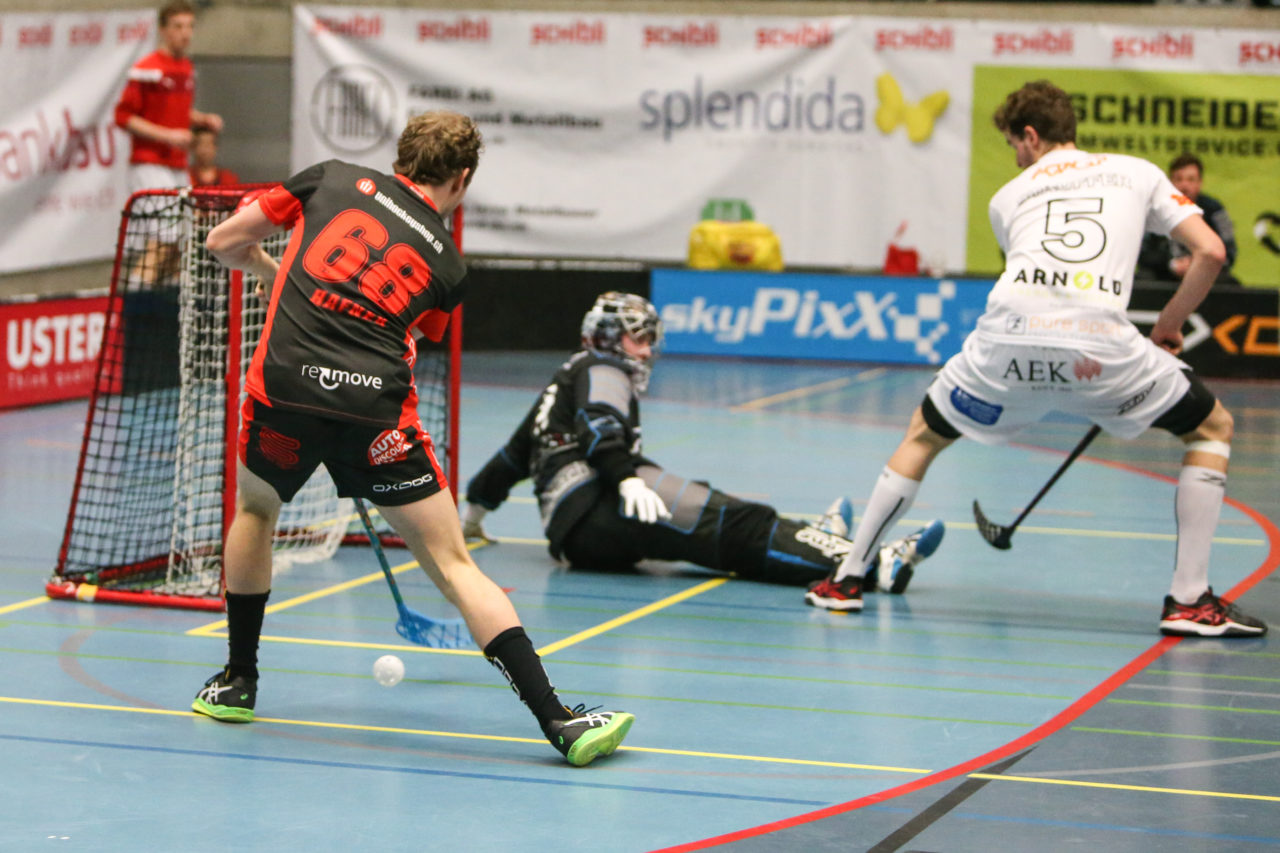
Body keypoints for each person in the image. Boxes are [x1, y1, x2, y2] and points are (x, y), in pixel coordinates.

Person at [193, 110, 634, 767]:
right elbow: (409, 330)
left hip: (283, 396)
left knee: (256, 511)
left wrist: (267, 268)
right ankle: (559, 721)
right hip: (375, 418)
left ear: (400, 158)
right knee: (456, 565)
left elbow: (223, 240)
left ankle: (237, 681)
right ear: (462, 179)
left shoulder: (328, 178)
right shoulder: (449, 265)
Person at [806, 81, 1266, 638]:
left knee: (922, 435)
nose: (1016, 158)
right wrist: (1168, 325)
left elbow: (1030, 278)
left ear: (1030, 135)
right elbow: (1211, 251)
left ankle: (846, 582)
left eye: (1013, 145)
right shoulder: (1137, 171)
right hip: (1101, 349)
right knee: (1212, 428)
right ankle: (1189, 600)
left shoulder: (1007, 197)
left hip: (1006, 344)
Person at [461, 291, 944, 602]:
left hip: (575, 530)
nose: (647, 350)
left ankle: (814, 539)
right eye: (638, 339)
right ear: (609, 339)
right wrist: (626, 478)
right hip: (602, 504)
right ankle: (871, 563)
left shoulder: (562, 380)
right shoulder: (603, 369)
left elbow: (510, 458)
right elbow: (600, 425)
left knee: (717, 511)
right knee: (738, 526)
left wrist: (472, 518)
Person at [114, 0, 223, 193]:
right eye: (178, 26)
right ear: (163, 30)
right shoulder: (147, 68)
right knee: (162, 214)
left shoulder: (187, 67)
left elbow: (172, 110)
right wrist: (168, 136)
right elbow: (123, 117)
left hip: (179, 163)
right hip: (150, 164)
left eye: (190, 26)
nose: (185, 33)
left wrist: (203, 119)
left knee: (184, 213)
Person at [1137, 154, 1238, 284]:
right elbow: (1142, 253)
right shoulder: (1155, 209)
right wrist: (1171, 264)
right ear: (1169, 182)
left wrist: (1198, 264)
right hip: (1163, 275)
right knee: (1143, 279)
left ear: (1200, 182)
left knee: (1229, 283)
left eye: (1191, 179)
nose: (1184, 185)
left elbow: (1229, 253)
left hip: (1205, 276)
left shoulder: (1214, 210)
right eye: (1179, 179)